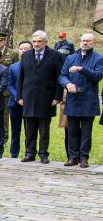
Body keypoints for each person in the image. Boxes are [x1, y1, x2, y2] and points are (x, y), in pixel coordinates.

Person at [17, 30, 63, 164]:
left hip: (46, 97)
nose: (36, 44)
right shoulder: (26, 56)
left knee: (44, 130)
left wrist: (57, 97)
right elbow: (21, 77)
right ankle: (29, 153)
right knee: (29, 129)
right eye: (34, 42)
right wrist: (19, 96)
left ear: (46, 42)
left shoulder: (55, 55)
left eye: (39, 41)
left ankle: (43, 154)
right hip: (28, 97)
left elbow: (59, 77)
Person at [59, 33, 102, 168]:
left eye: (88, 41)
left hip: (88, 99)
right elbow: (62, 75)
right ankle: (73, 157)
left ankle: (84, 157)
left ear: (93, 43)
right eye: (83, 40)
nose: (85, 43)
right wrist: (67, 84)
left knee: (86, 131)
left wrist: (81, 69)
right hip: (72, 99)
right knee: (72, 130)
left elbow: (97, 76)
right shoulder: (71, 57)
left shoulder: (99, 58)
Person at [6, 42, 30, 159]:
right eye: (21, 49)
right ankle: (14, 154)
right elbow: (9, 84)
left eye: (26, 49)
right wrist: (18, 97)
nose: (24, 51)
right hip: (15, 104)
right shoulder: (13, 67)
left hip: (30, 104)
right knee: (15, 131)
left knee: (29, 131)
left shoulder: (35, 66)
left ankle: (29, 153)